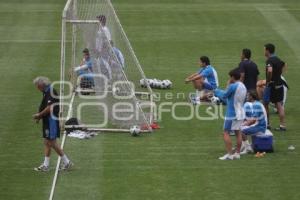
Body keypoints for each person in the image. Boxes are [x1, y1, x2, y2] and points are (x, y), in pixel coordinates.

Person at [32, 77, 73, 172]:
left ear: (40, 85)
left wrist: (39, 115)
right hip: (48, 119)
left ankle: (66, 162)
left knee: (52, 142)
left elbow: (49, 108)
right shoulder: (46, 91)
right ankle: (46, 165)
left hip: (51, 120)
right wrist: (40, 117)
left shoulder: (50, 91)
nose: (37, 88)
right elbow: (44, 105)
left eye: (37, 86)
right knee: (47, 142)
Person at [217, 68, 247, 160]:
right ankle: (237, 153)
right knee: (238, 132)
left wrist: (217, 91)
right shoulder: (243, 86)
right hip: (241, 112)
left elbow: (224, 96)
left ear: (233, 77)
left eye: (230, 77)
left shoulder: (233, 86)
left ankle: (229, 154)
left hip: (232, 113)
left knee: (226, 133)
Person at [263, 43, 287, 131]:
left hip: (271, 85)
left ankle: (267, 124)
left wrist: (268, 81)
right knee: (279, 104)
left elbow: (269, 71)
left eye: (264, 49)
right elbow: (284, 65)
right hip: (279, 83)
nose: (264, 51)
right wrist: (279, 75)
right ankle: (282, 125)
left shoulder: (269, 61)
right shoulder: (278, 59)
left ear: (268, 51)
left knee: (265, 103)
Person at [240, 90, 268, 155]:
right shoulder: (256, 103)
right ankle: (244, 146)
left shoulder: (256, 105)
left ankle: (247, 149)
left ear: (251, 97)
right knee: (241, 127)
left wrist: (243, 124)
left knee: (241, 130)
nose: (246, 97)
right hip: (260, 125)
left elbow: (253, 120)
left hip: (260, 127)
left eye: (248, 95)